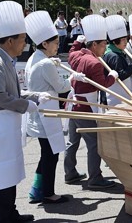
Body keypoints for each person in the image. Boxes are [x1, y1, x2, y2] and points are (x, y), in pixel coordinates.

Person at [0, 0, 40, 222]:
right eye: (23, 39)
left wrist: (33, 96)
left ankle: (9, 212)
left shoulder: (7, 60)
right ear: (10, 40)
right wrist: (26, 105)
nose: (25, 43)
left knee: (11, 173)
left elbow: (12, 93)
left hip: (7, 126)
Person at [24, 11, 86, 204]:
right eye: (56, 43)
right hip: (46, 115)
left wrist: (54, 64)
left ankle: (37, 191)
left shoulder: (34, 58)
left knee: (46, 155)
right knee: (51, 157)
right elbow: (61, 87)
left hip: (40, 113)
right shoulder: (44, 63)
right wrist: (73, 78)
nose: (58, 46)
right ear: (45, 44)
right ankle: (48, 194)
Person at [65, 14, 118, 189]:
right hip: (85, 107)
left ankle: (70, 172)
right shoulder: (94, 62)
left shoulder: (76, 55)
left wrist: (77, 42)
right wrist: (112, 77)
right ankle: (95, 178)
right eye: (103, 45)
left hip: (72, 104)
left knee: (73, 141)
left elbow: (72, 51)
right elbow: (102, 85)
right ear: (94, 44)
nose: (105, 48)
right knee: (94, 142)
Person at [103, 15, 132, 106]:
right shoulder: (113, 56)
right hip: (115, 94)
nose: (125, 42)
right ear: (115, 42)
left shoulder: (116, 51)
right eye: (122, 40)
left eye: (126, 39)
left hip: (121, 92)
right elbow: (121, 75)